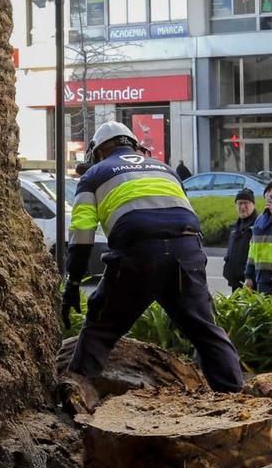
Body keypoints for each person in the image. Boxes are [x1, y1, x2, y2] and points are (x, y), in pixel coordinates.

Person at [65, 122, 244, 393]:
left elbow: (81, 236)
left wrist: (73, 282)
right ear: (135, 145)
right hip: (187, 253)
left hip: (137, 256)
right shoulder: (166, 169)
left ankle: (74, 396)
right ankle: (237, 400)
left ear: (100, 150)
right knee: (206, 331)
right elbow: (186, 215)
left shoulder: (94, 176)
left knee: (100, 329)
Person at [220, 187, 258, 291]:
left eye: (246, 203)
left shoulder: (258, 226)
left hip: (251, 283)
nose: (243, 207)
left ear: (253, 205)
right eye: (239, 203)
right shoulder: (234, 227)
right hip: (235, 282)